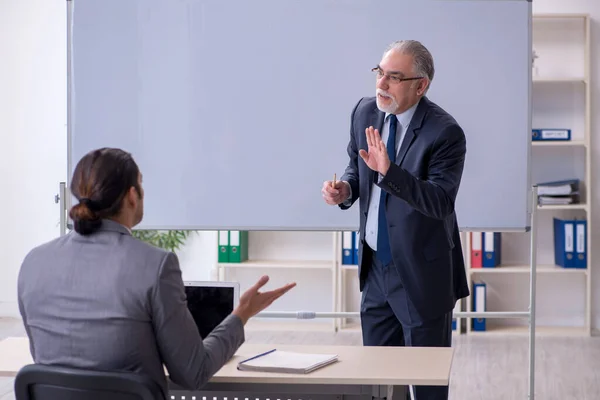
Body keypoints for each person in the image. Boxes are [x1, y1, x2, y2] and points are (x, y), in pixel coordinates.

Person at [17, 147, 296, 397]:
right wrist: (241, 314)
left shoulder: (33, 262)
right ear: (132, 196)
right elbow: (193, 372)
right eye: (141, 184)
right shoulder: (156, 265)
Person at [321, 40, 469, 400]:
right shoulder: (364, 112)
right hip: (375, 272)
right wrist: (346, 190)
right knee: (378, 383)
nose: (381, 85)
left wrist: (390, 172)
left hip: (420, 276)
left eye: (394, 77)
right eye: (380, 73)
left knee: (426, 386)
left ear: (421, 85)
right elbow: (357, 168)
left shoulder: (445, 133)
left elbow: (440, 202)